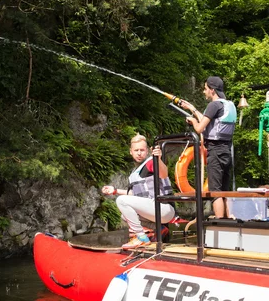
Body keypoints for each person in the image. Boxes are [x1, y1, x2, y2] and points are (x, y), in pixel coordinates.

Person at [101, 134, 176, 249]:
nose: (139, 153)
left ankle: (141, 238)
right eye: (136, 150)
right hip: (154, 209)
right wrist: (114, 191)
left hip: (165, 208)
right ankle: (158, 228)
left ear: (147, 151)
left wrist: (159, 160)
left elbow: (163, 174)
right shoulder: (135, 172)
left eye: (142, 150)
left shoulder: (152, 162)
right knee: (124, 215)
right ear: (131, 151)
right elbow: (135, 195)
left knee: (121, 201)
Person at [180, 76, 237, 218]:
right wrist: (192, 109)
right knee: (225, 190)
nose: (204, 92)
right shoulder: (228, 105)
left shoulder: (213, 105)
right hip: (227, 151)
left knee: (215, 190)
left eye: (205, 89)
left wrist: (193, 121)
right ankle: (229, 220)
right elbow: (207, 119)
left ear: (212, 90)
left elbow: (200, 128)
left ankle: (219, 222)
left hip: (215, 151)